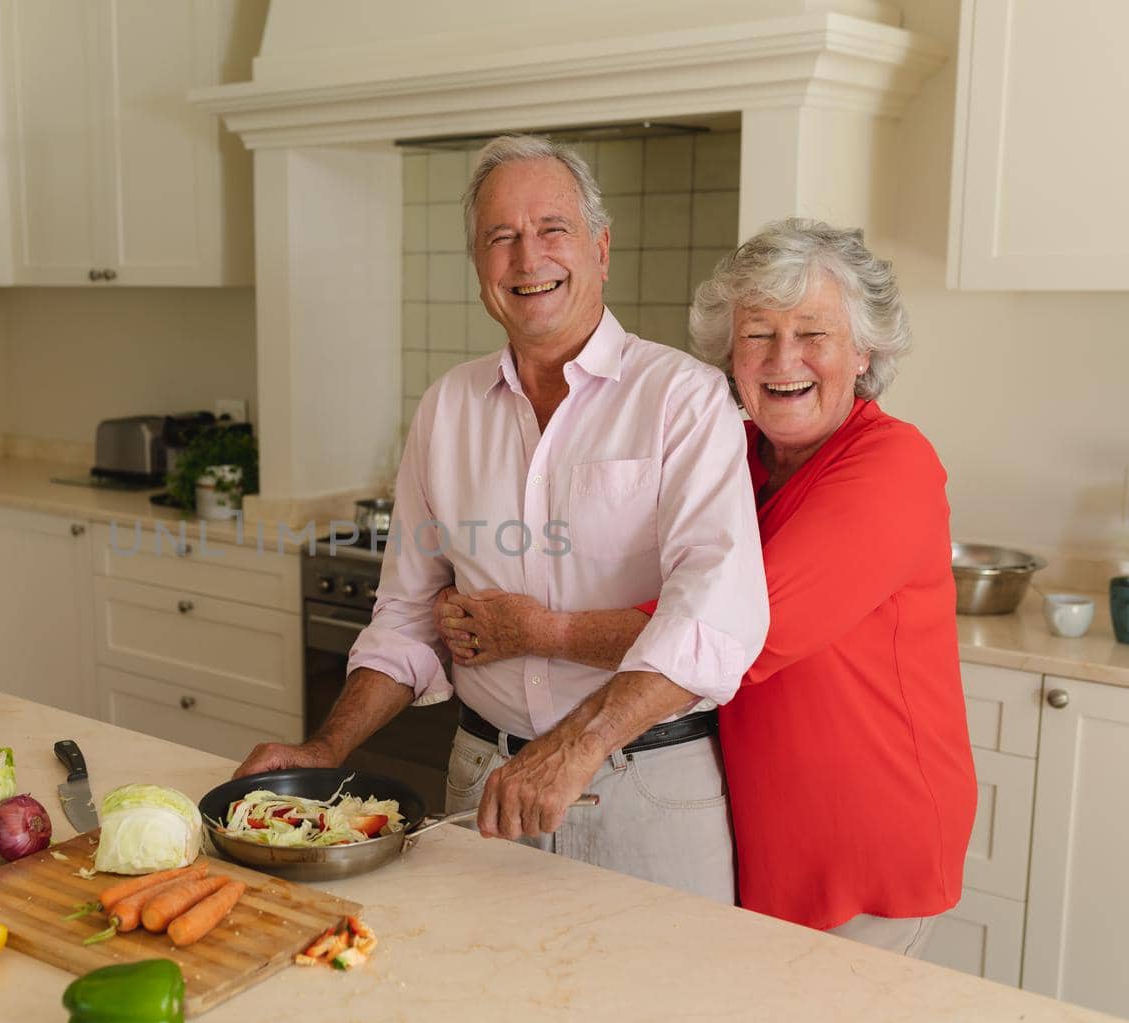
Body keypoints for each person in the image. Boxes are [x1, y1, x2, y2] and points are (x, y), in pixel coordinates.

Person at [236, 134, 769, 904]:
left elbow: (713, 618)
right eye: (501, 237)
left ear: (600, 248)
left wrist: (576, 747)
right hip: (481, 782)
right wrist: (323, 747)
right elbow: (406, 617)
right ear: (480, 266)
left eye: (552, 229)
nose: (528, 258)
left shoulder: (683, 399)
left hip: (645, 785)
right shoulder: (447, 407)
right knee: (477, 1016)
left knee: (657, 1020)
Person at [435, 218, 976, 955]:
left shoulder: (891, 466)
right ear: (729, 350)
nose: (784, 358)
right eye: (758, 334)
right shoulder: (740, 454)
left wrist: (538, 631)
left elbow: (732, 631)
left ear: (864, 350)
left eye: (812, 333)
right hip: (760, 829)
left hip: (862, 839)